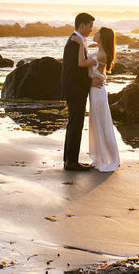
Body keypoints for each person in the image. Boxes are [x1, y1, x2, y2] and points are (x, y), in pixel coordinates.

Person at [60, 12, 100, 171]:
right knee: (75, 124)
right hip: (74, 89)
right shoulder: (74, 43)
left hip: (75, 88)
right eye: (90, 26)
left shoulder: (77, 41)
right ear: (82, 25)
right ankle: (71, 162)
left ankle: (69, 159)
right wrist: (90, 81)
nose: (91, 30)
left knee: (74, 124)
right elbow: (73, 71)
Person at [87, 26, 120, 172]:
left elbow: (81, 63)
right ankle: (101, 157)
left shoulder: (100, 55)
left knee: (101, 124)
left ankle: (108, 159)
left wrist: (80, 43)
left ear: (102, 37)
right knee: (97, 123)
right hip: (95, 91)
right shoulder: (99, 53)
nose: (95, 33)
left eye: (98, 32)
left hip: (98, 91)